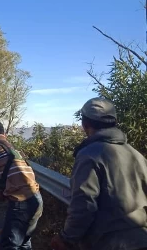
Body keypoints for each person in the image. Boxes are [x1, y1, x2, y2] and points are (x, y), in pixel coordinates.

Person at [50, 97, 147, 250]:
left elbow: (83, 205)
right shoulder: (136, 155)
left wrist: (66, 238)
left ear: (85, 124)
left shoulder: (90, 155)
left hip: (108, 242)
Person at [0, 119, 43, 249]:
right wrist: (5, 192)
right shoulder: (14, 150)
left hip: (21, 204)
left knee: (9, 245)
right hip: (37, 200)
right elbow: (16, 176)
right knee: (24, 242)